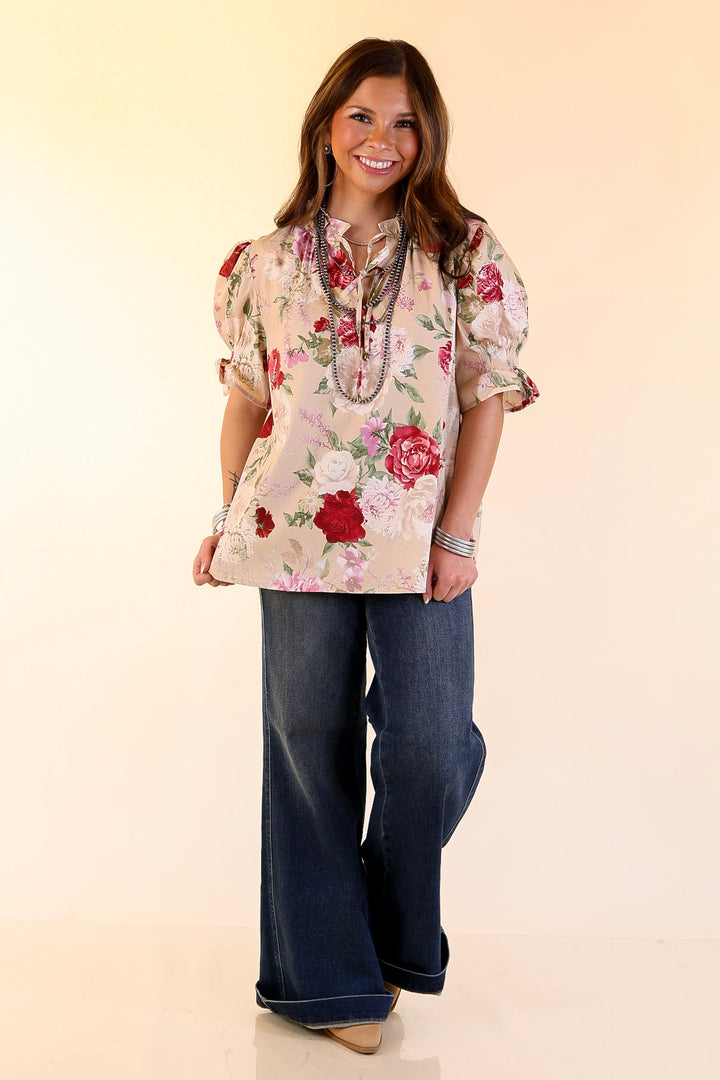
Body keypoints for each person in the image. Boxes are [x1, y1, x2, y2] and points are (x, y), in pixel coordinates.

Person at [192, 37, 539, 1055]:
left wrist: (459, 532)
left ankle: (376, 937)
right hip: (288, 534)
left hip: (418, 544)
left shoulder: (464, 254)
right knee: (308, 748)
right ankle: (326, 979)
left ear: (427, 135)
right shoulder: (262, 264)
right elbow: (250, 403)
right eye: (361, 118)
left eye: (403, 121)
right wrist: (226, 522)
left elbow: (487, 399)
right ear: (325, 128)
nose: (381, 140)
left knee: (432, 746)